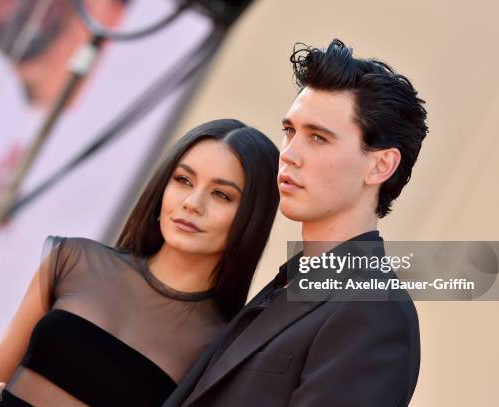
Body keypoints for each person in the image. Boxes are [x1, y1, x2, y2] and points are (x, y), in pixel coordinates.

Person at [163, 38, 428, 406]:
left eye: (318, 138)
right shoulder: (292, 281)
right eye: (290, 131)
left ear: (380, 165)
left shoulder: (375, 313)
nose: (289, 155)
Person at [0, 118, 280, 406]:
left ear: (251, 217)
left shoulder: (220, 345)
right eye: (183, 180)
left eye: (222, 195)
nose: (193, 203)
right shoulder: (71, 262)